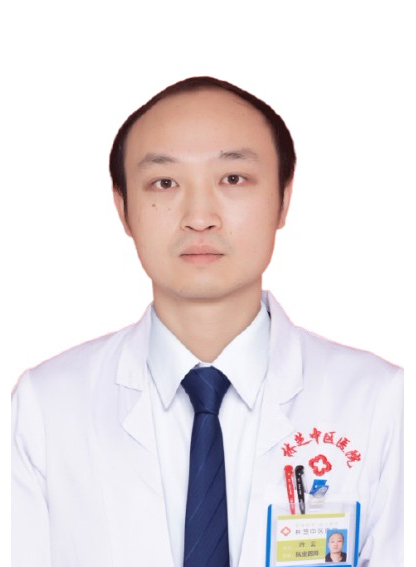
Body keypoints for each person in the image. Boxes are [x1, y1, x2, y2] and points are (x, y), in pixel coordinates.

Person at [11, 76, 403, 567]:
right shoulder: (46, 407)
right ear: (123, 208)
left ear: (283, 199)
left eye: (233, 179)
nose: (199, 217)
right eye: (165, 183)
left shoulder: (381, 402)